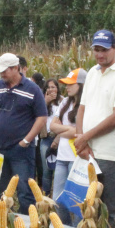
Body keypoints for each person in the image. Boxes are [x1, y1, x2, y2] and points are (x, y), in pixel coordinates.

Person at [74, 29, 115, 223]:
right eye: (96, 49)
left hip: (111, 154)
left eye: (104, 49)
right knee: (89, 210)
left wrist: (86, 137)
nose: (100, 54)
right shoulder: (92, 73)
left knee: (112, 213)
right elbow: (81, 109)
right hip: (88, 153)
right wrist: (81, 140)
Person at [0, 53, 49, 211]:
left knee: (25, 191)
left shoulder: (32, 89)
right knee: (0, 190)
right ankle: (3, 224)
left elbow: (42, 117)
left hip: (22, 150)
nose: (1, 74)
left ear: (16, 68)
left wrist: (26, 141)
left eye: (5, 70)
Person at [50, 68, 87, 211]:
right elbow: (52, 126)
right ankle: (63, 227)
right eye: (66, 84)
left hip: (77, 157)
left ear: (81, 85)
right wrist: (70, 130)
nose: (67, 87)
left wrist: (63, 129)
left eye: (71, 84)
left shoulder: (87, 104)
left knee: (76, 200)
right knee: (57, 198)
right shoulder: (65, 102)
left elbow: (82, 132)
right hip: (62, 157)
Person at [39, 78, 61, 193]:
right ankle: (46, 196)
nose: (51, 89)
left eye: (53, 87)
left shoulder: (63, 102)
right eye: (48, 87)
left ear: (57, 89)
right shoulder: (41, 102)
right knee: (47, 170)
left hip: (60, 138)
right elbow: (37, 116)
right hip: (46, 138)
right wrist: (45, 101)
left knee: (59, 169)